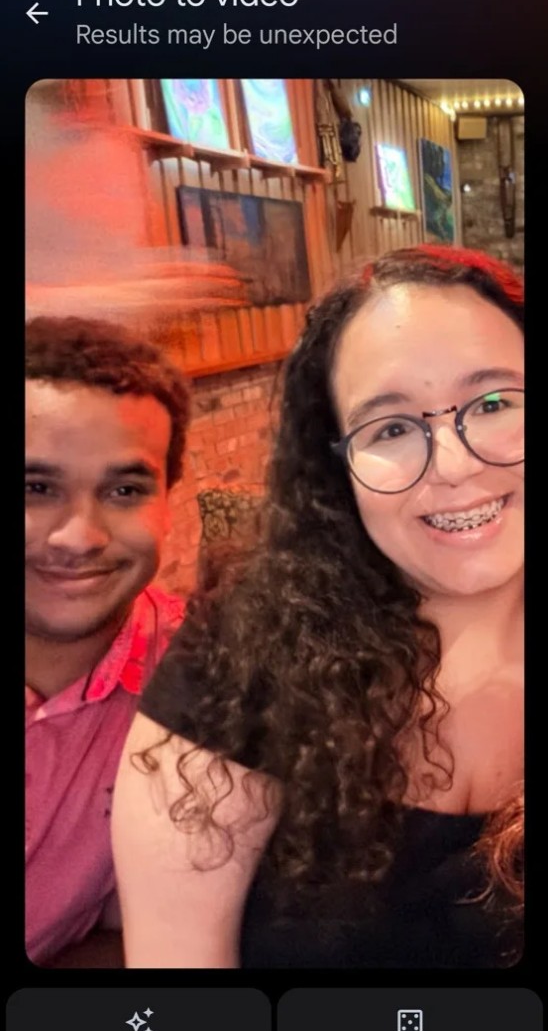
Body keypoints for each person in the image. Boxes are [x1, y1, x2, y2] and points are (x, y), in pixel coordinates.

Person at [112, 245, 524, 969]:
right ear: (339, 470)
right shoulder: (240, 662)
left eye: (493, 404)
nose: (455, 466)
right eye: (390, 427)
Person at [25, 315, 190, 966]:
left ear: (169, 502)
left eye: (124, 490)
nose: (79, 537)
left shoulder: (203, 679)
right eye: (36, 488)